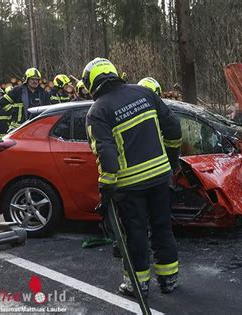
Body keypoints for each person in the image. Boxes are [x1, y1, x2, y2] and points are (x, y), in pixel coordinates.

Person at [83, 58, 182, 298]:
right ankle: (169, 279)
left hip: (130, 185)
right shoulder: (144, 93)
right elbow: (174, 129)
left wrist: (106, 188)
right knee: (162, 228)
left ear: (90, 83)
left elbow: (105, 151)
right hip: (160, 177)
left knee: (135, 233)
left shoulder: (98, 111)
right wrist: (171, 160)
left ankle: (138, 285)